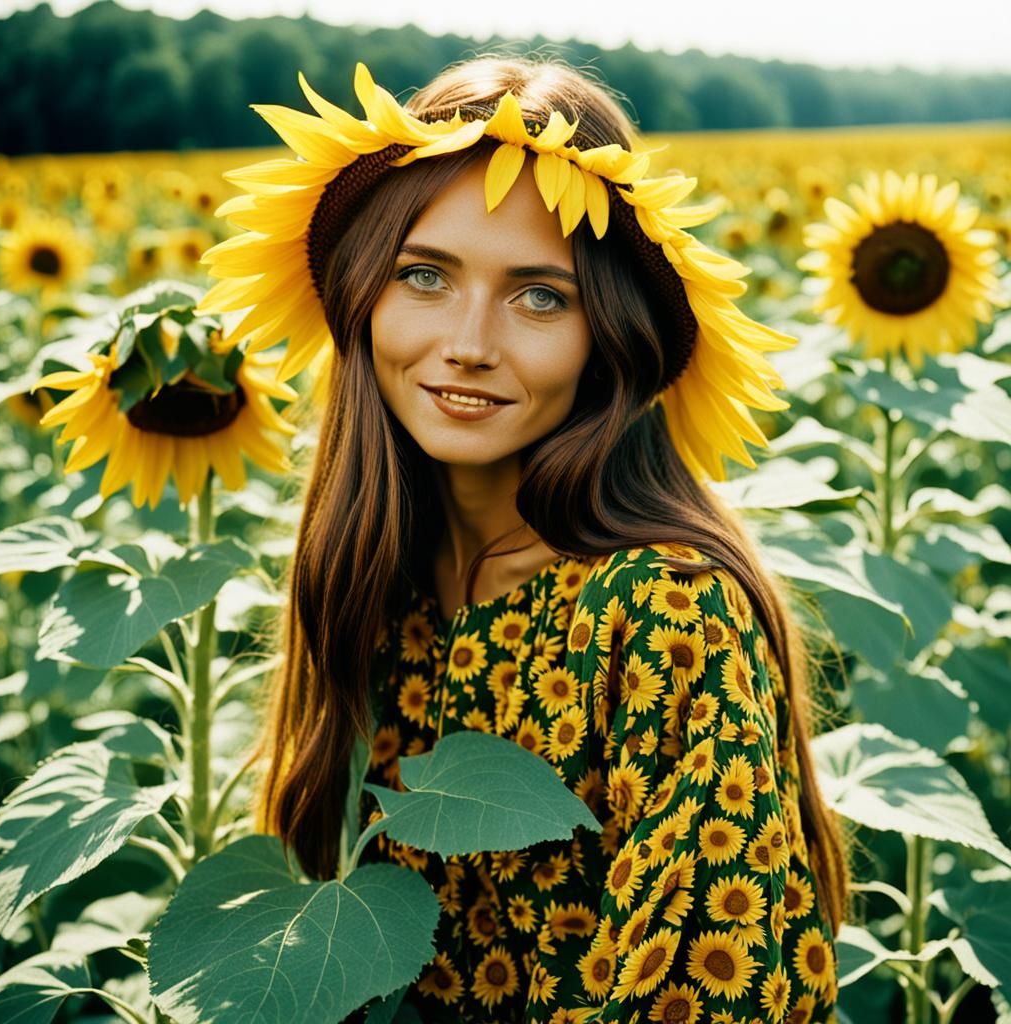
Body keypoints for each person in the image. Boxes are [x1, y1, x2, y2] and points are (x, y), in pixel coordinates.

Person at [210, 54, 850, 1024]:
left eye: (539, 296)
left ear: (612, 336)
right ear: (360, 297)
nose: (469, 340)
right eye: (423, 275)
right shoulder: (376, 583)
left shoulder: (661, 609)